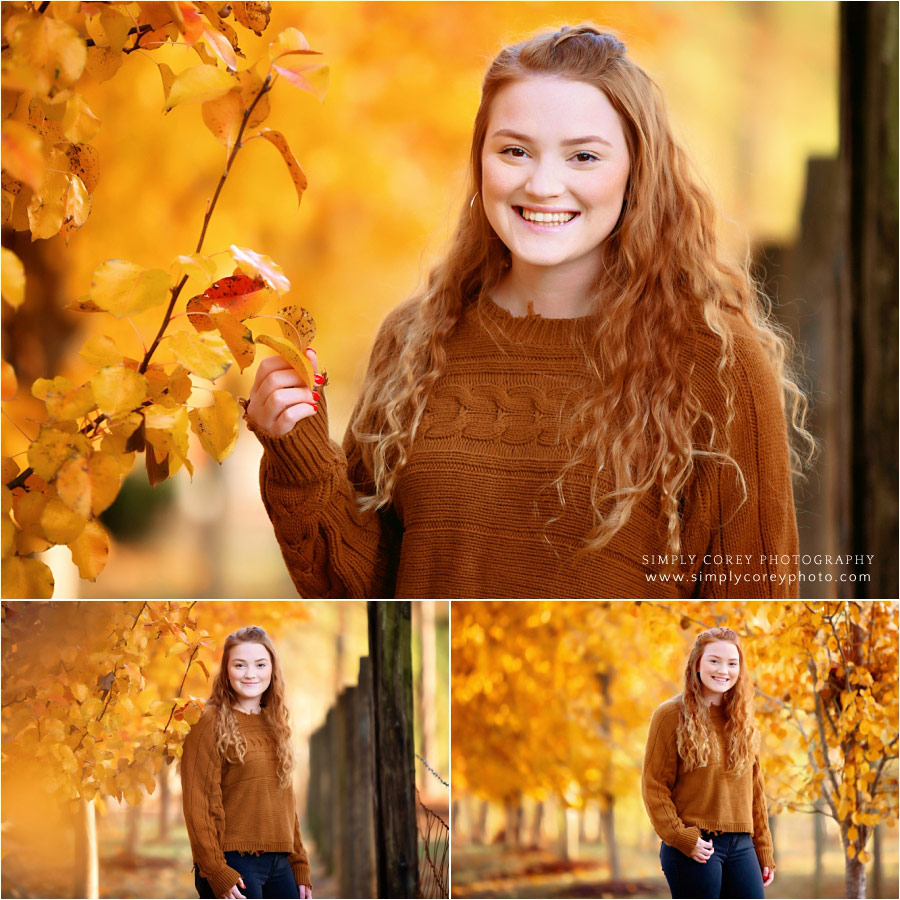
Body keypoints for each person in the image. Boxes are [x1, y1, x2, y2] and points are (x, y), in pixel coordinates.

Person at [244, 24, 814, 599]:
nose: (543, 184)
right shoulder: (414, 340)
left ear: (637, 170)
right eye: (514, 150)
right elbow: (370, 594)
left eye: (584, 156)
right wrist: (299, 450)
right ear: (482, 160)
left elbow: (753, 609)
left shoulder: (716, 365)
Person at [641, 626, 775, 899]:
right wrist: (682, 838)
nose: (723, 670)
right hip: (695, 844)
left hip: (741, 845)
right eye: (714, 660)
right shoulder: (670, 715)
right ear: (697, 665)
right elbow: (654, 786)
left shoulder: (743, 721)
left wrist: (764, 849)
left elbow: (755, 792)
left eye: (732, 663)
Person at [181, 626, 313, 900]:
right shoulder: (209, 722)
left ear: (272, 669)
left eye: (260, 664)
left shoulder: (276, 724)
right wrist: (217, 871)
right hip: (234, 863)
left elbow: (285, 803)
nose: (250, 674)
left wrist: (299, 864)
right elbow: (199, 804)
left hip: (280, 865)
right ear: (227, 670)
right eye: (240, 664)